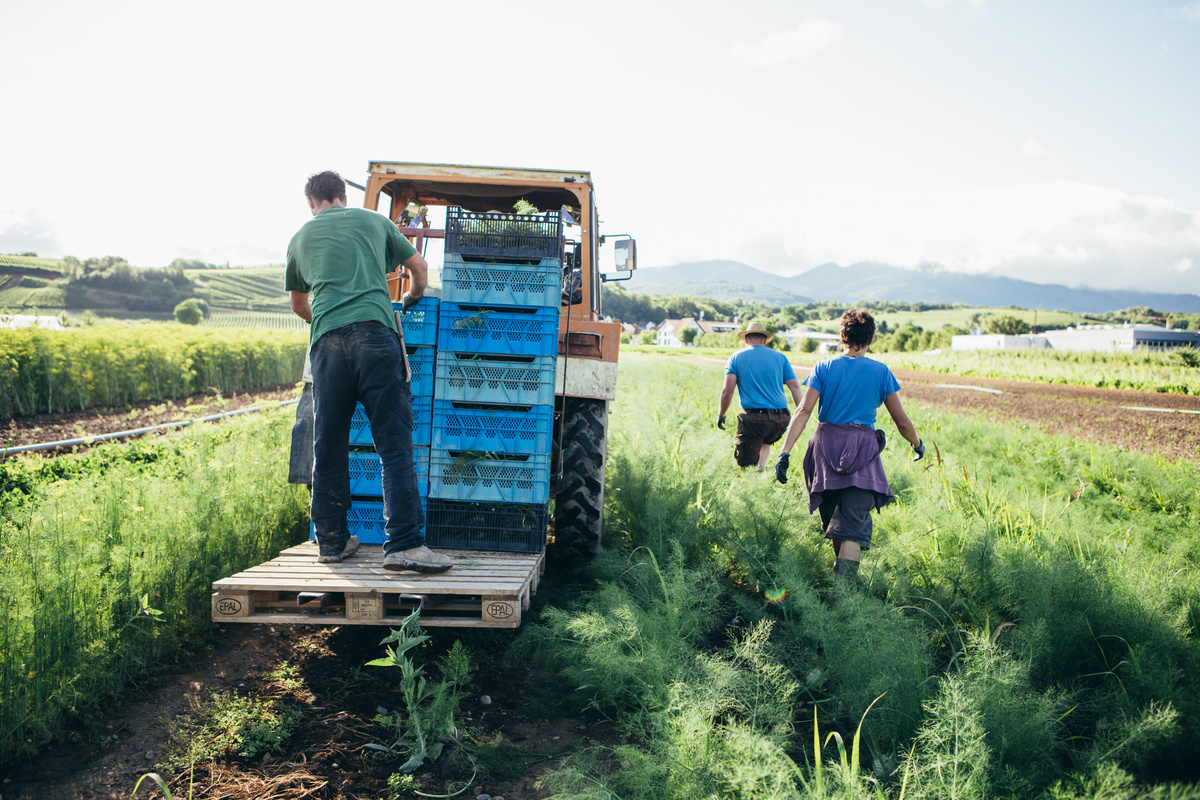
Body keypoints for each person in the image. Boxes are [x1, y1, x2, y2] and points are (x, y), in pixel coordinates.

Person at [285, 170, 451, 573]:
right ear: (343, 196)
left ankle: (333, 543)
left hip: (326, 342)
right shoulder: (375, 222)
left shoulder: (301, 238)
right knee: (393, 444)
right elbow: (420, 269)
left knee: (328, 446)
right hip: (376, 338)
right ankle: (405, 546)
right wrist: (409, 299)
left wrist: (327, 319)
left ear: (312, 202)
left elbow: (298, 305)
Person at [774, 309, 924, 578]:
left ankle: (840, 581)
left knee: (835, 524)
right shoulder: (880, 372)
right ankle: (844, 597)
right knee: (852, 530)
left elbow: (804, 411)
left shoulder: (824, 367)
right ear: (872, 339)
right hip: (862, 454)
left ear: (842, 336)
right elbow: (901, 422)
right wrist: (917, 444)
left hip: (824, 452)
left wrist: (784, 453)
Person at [718, 322, 803, 469]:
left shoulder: (736, 357)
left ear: (746, 339)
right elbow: (795, 387)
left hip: (755, 420)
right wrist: (801, 414)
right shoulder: (780, 357)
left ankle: (752, 479)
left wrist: (721, 414)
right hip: (780, 419)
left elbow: (727, 391)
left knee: (746, 466)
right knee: (766, 440)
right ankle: (761, 469)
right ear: (764, 340)